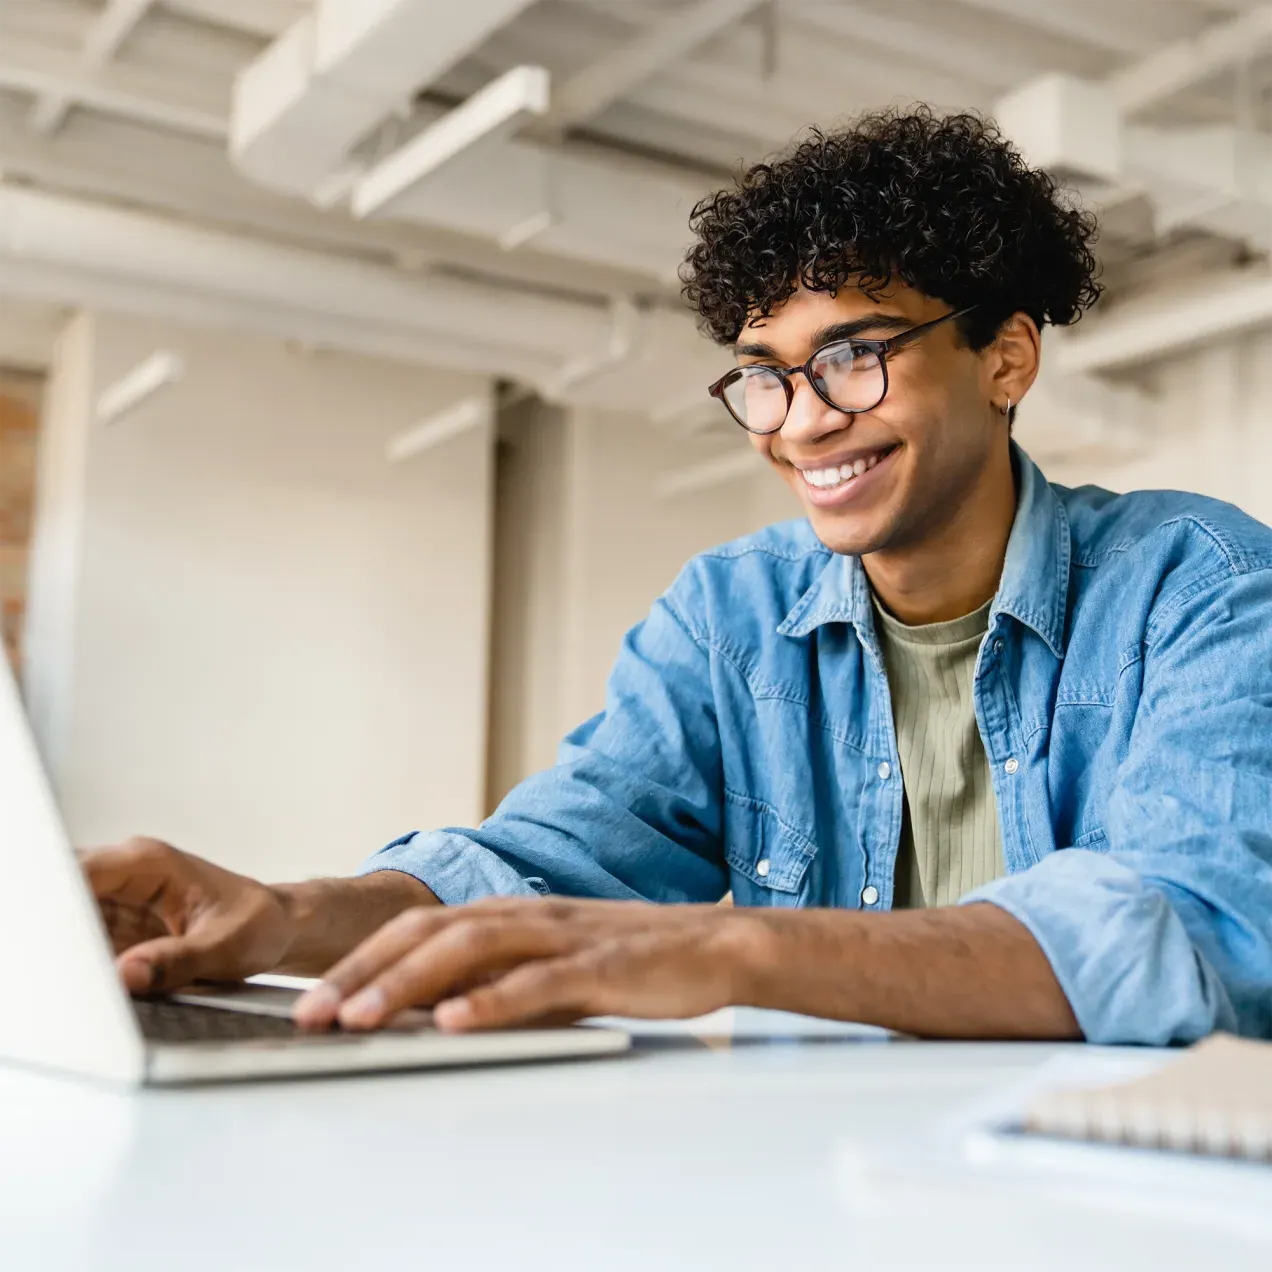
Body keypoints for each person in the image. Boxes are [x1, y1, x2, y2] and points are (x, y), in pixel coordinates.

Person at [84, 108, 1272, 1045]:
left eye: (854, 357)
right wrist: (281, 917)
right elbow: (534, 868)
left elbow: (1190, 933)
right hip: (825, 1181)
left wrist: (735, 953)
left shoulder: (1199, 586)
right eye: (767, 375)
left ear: (1006, 356)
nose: (802, 421)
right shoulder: (729, 618)